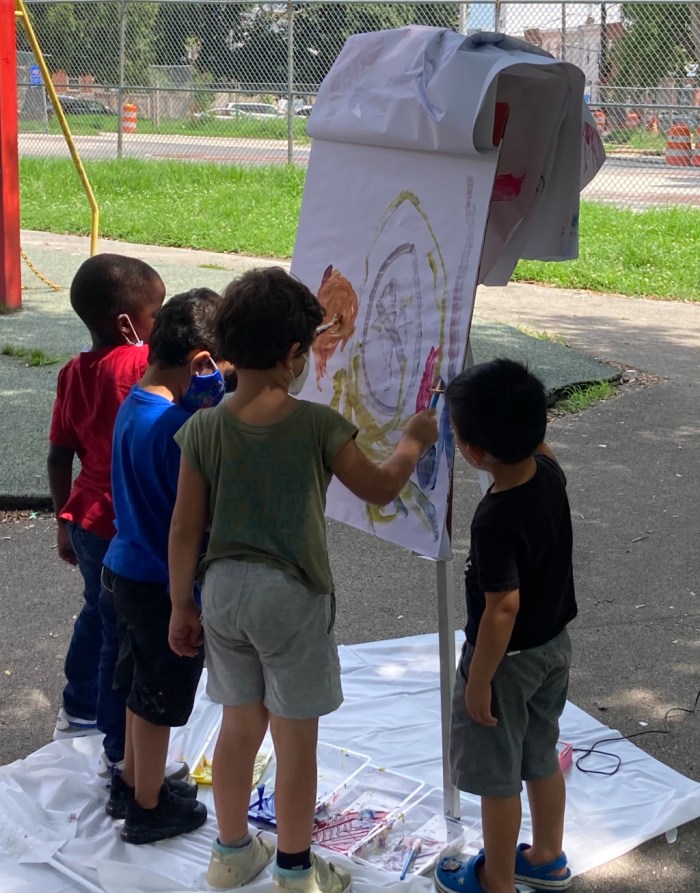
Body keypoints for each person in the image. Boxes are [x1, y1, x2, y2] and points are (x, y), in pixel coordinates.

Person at [167, 267, 438, 892]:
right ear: (294, 353)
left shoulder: (203, 427)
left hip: (224, 591)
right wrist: (412, 442)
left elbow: (184, 530)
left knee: (238, 728)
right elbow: (377, 487)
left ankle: (232, 852)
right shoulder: (316, 424)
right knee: (295, 743)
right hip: (290, 595)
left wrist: (182, 604)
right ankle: (294, 869)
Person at [433, 359, 577, 893]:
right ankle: (546, 855)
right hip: (553, 648)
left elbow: (502, 608)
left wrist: (477, 679)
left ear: (471, 453)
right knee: (541, 754)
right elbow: (531, 439)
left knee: (497, 778)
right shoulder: (549, 472)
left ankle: (496, 882)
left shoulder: (495, 519)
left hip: (506, 663)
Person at [102, 288, 231, 844]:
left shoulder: (138, 402)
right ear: (203, 361)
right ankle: (148, 810)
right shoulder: (182, 429)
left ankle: (133, 781)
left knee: (137, 686)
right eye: (228, 363)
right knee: (158, 701)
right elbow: (197, 515)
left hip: (125, 565)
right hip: (162, 581)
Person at [47, 253, 166, 778]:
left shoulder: (72, 372)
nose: (159, 326)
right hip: (126, 521)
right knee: (123, 627)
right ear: (127, 324)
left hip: (85, 517)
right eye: (156, 315)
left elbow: (58, 454)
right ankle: (112, 727)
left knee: (97, 611)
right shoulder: (139, 366)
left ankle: (76, 707)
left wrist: (61, 521)